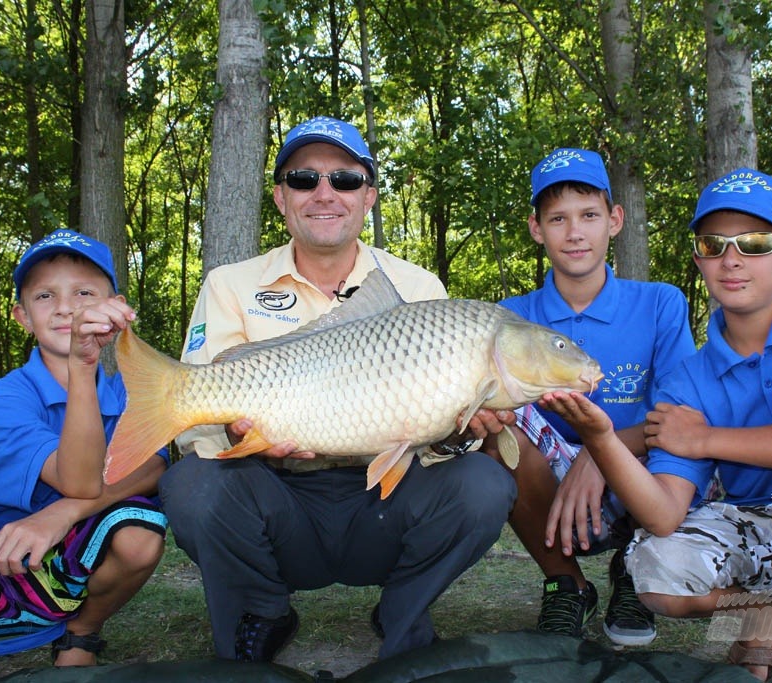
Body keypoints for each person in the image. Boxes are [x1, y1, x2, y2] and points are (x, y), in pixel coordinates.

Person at [158, 116, 518, 663]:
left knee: (484, 484)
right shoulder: (229, 284)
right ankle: (263, 611)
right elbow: (201, 437)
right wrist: (235, 429)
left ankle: (403, 614)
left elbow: (442, 442)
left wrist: (459, 433)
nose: (324, 193)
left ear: (368, 196)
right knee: (193, 486)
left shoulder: (418, 288)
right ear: (281, 197)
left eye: (345, 180)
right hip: (276, 494)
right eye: (304, 179)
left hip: (382, 499)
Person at [539, 168, 772, 682]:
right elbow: (665, 514)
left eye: (754, 243)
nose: (731, 259)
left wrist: (707, 438)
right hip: (757, 533)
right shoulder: (689, 380)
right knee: (651, 565)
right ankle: (759, 614)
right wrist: (602, 440)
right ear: (699, 260)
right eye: (714, 244)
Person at [0, 230, 169, 667]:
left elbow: (155, 466)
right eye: (45, 295)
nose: (66, 307)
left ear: (118, 307)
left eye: (84, 292)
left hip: (60, 579)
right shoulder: (4, 397)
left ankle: (80, 636)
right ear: (22, 316)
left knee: (140, 532)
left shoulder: (129, 391)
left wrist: (61, 512)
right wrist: (82, 365)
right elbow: (80, 480)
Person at [492, 148, 695, 646]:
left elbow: (680, 414)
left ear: (615, 219)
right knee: (494, 428)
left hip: (637, 462)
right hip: (554, 476)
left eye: (589, 215)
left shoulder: (660, 303)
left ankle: (635, 572)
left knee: (694, 441)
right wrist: (581, 457)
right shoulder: (509, 316)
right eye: (558, 219)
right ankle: (566, 584)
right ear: (537, 229)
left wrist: (601, 456)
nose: (575, 232)